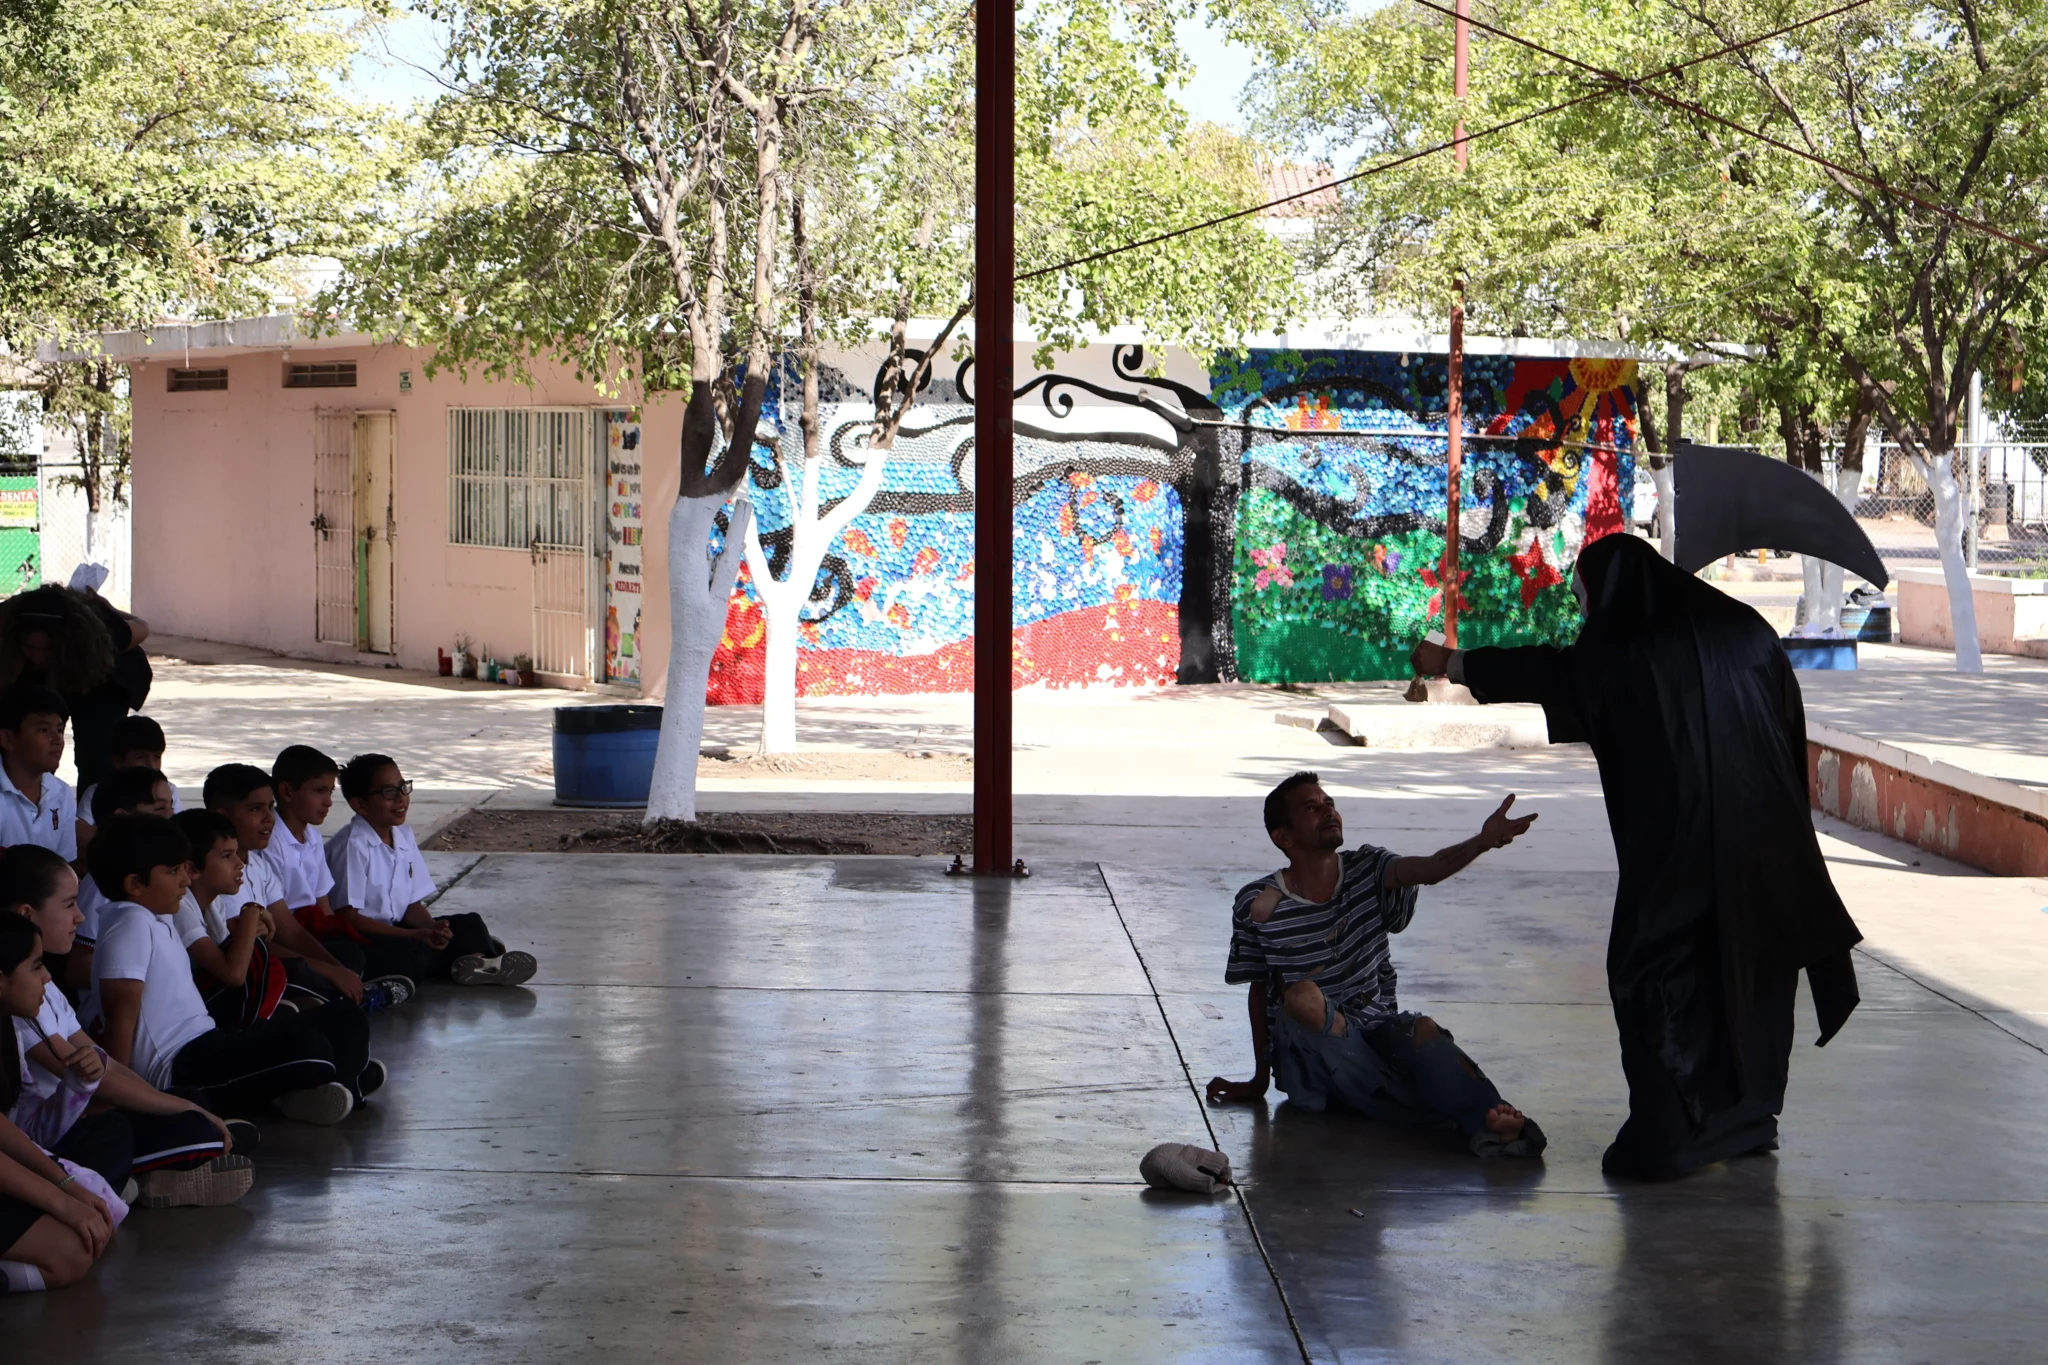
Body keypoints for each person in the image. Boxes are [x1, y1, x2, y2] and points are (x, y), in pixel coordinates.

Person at [1412, 531, 1863, 1180]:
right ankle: (1747, 1120)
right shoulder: (1747, 629)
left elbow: (1552, 671)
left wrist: (1451, 663)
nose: (1587, 611)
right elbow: (1791, 735)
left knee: (1648, 972)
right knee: (1754, 969)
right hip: (1767, 843)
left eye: (1587, 596)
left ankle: (1669, 1136)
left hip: (1677, 851)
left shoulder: (1623, 645)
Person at [1206, 771, 1547, 1158]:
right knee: (1302, 998)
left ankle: (1488, 1116)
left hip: (1375, 1035)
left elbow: (1429, 868)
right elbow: (1259, 989)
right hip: (1311, 1054)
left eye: (1329, 803)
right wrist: (1258, 1081)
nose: (1328, 812)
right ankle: (1455, 1113)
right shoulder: (1257, 904)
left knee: (1422, 1030)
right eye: (1311, 808)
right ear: (1282, 837)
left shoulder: (1369, 868)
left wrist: (1482, 843)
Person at [89, 814, 382, 1126]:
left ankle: (320, 1087)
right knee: (308, 1048)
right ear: (135, 884)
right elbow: (121, 1019)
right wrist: (119, 1104)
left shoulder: (155, 917)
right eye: (173, 871)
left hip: (210, 1042)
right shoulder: (129, 925)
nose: (186, 880)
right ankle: (328, 1082)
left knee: (344, 1017)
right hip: (179, 1067)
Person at [1, 849, 251, 1208]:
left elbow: (106, 1064)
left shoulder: (45, 985)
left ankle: (153, 1174)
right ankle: (144, 1180)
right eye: (69, 904)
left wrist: (179, 1104)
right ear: (27, 914)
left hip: (78, 1117)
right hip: (52, 1135)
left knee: (189, 1103)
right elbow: (96, 1077)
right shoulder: (17, 998)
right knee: (141, 1130)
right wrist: (179, 1109)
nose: (80, 916)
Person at [200, 766, 409, 1013]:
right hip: (239, 974)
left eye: (270, 806)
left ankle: (333, 1000)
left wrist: (339, 970)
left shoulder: (257, 864)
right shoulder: (215, 875)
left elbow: (292, 932)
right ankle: (340, 1003)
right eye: (255, 809)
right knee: (293, 970)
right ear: (223, 815)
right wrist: (330, 971)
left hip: (267, 959)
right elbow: (252, 950)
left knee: (347, 955)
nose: (269, 818)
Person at [324, 753, 537, 988]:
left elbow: (411, 905)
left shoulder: (402, 836)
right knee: (409, 955)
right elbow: (348, 917)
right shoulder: (352, 846)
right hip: (366, 935)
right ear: (360, 805)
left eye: (403, 787)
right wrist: (415, 936)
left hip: (399, 930)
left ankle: (476, 962)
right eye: (388, 792)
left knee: (469, 923)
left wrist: (433, 929)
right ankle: (475, 955)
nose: (401, 798)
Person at [0, 912, 117, 1292]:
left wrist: (65, 1185)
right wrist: (62, 1199)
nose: (48, 978)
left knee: (79, 1238)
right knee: (69, 1253)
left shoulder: (8, 1026)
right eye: (36, 966)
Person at [0, 584, 151, 791]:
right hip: (35, 680)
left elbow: (142, 627)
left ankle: (93, 817)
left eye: (46, 649)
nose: (37, 656)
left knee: (97, 758)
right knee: (28, 750)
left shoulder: (97, 634)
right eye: (29, 648)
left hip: (100, 681)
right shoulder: (6, 630)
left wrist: (111, 610)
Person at [64, 764, 178, 1005]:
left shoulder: (157, 873)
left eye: (172, 807)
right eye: (160, 809)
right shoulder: (104, 883)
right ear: (121, 819)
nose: (171, 818)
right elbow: (78, 966)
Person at [76, 713, 180, 862]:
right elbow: (80, 832)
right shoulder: (96, 791)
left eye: (157, 757)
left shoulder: (168, 790)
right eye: (141, 757)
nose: (151, 765)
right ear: (118, 761)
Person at [266, 745, 342, 941]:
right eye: (319, 791)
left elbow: (323, 905)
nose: (328, 802)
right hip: (286, 936)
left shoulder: (313, 838)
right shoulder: (269, 842)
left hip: (313, 931)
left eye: (330, 792)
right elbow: (280, 924)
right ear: (287, 792)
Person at [0, 682, 77, 863]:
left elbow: (64, 864)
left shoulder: (61, 793)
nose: (57, 740)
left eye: (59, 730)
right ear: (7, 738)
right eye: (43, 730)